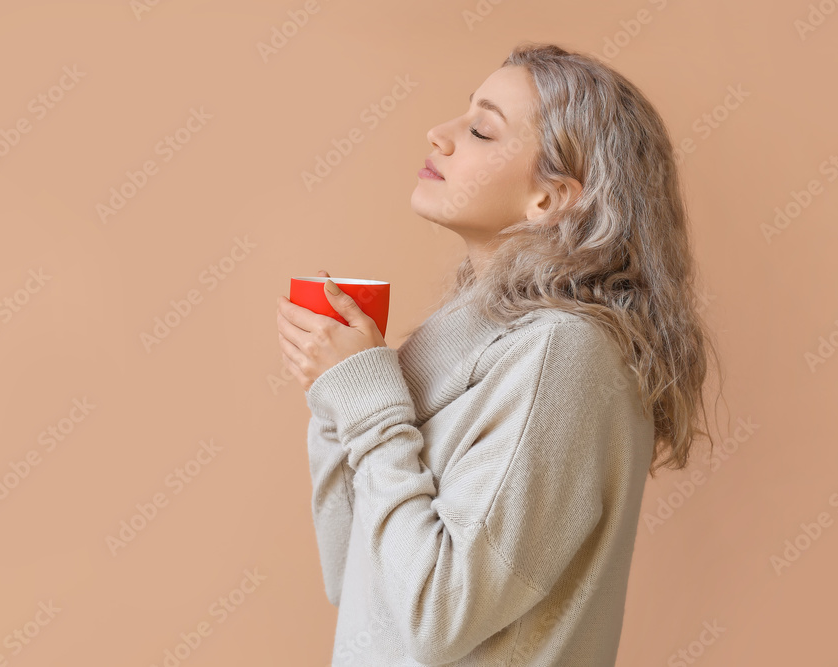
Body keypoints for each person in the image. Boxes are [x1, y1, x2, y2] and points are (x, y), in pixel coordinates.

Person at [276, 41, 724, 666]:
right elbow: (356, 582)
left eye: (483, 130)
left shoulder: (562, 353)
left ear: (552, 199)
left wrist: (367, 400)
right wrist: (336, 397)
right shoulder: (472, 331)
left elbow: (436, 616)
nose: (439, 135)